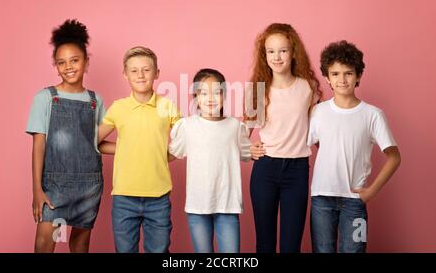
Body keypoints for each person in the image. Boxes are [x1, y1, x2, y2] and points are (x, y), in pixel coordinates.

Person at [308, 40, 401, 253]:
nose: (342, 79)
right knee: (322, 250)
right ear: (327, 78)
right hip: (321, 199)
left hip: (355, 202)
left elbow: (394, 156)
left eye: (348, 73)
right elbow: (315, 143)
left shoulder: (373, 115)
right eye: (335, 74)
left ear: (358, 75)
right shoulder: (318, 112)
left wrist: (372, 191)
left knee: (355, 250)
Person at [27, 19, 109, 253]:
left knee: (80, 244)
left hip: (89, 185)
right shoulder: (45, 98)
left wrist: (130, 147)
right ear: (56, 65)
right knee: (45, 242)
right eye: (61, 62)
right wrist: (37, 190)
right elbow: (39, 145)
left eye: (75, 60)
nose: (69, 67)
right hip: (54, 185)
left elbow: (96, 143)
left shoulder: (96, 101)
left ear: (86, 61)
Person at [245, 23, 321, 253]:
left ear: (293, 52)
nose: (276, 57)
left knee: (291, 245)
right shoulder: (258, 90)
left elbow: (317, 131)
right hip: (265, 170)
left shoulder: (309, 87)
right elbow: (242, 133)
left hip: (296, 171)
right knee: (265, 244)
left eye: (283, 50)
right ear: (264, 55)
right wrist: (248, 148)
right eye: (270, 51)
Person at [98, 46, 181, 253]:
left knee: (159, 251)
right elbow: (93, 141)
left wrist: (163, 154)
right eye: (134, 70)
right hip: (124, 197)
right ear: (125, 75)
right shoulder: (119, 107)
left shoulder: (167, 106)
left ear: (157, 73)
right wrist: (126, 148)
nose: (140, 75)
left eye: (146, 69)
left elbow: (184, 141)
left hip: (159, 197)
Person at [169, 68, 251, 253]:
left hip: (227, 205)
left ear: (224, 95)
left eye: (216, 92)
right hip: (197, 206)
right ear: (195, 97)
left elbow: (248, 153)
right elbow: (172, 152)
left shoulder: (235, 126)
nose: (210, 98)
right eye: (203, 93)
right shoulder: (188, 126)